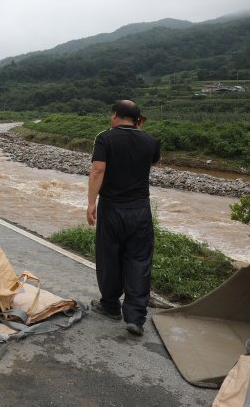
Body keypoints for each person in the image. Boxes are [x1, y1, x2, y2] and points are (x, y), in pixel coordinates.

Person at [87, 100, 160, 336]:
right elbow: (151, 162)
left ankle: (110, 306)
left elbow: (98, 170)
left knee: (109, 257)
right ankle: (136, 318)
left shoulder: (105, 138)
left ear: (115, 115)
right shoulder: (150, 140)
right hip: (140, 209)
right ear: (138, 119)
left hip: (112, 208)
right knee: (139, 260)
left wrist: (91, 203)